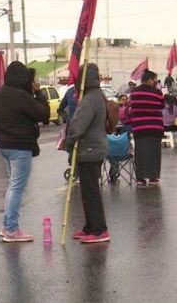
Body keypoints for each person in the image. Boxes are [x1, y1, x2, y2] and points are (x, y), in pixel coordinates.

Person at [0, 62, 50, 242]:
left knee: (13, 186)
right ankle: (11, 229)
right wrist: (39, 93)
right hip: (20, 146)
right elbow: (43, 114)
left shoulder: (1, 94)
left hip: (4, 145)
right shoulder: (22, 96)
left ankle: (7, 225)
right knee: (17, 188)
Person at [66, 63, 111, 243]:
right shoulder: (97, 96)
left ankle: (99, 230)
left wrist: (69, 141)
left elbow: (77, 127)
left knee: (90, 190)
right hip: (95, 147)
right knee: (87, 190)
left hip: (90, 149)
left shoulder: (88, 99)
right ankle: (90, 226)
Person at [130, 69, 165, 187]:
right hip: (155, 127)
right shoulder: (157, 92)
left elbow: (133, 106)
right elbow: (162, 105)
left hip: (139, 127)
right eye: (155, 80)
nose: (156, 82)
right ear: (150, 80)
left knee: (140, 153)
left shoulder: (134, 92)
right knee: (154, 153)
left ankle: (140, 178)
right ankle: (153, 177)